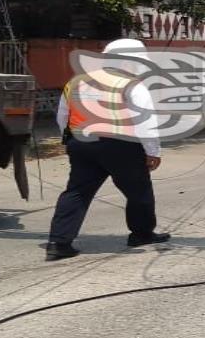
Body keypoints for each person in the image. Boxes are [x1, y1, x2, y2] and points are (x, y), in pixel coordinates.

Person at [45, 38, 171, 261]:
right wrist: (153, 151)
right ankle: (141, 234)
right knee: (138, 191)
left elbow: (62, 116)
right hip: (121, 146)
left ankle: (58, 242)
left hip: (82, 143)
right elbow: (145, 120)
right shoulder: (132, 84)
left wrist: (71, 139)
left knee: (76, 191)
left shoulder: (77, 81)